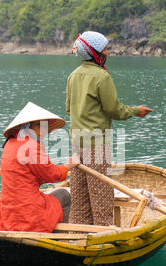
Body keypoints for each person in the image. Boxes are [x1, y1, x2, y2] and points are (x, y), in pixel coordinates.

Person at [66, 31, 153, 226]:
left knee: (79, 199)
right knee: (101, 197)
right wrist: (135, 111)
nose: (108, 52)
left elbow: (68, 107)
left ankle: (76, 235)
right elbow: (114, 110)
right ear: (96, 53)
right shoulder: (101, 77)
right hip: (96, 145)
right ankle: (103, 235)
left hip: (75, 145)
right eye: (105, 49)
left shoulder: (73, 76)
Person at [0, 102, 79, 233]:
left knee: (50, 196)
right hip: (27, 211)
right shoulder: (31, 146)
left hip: (8, 210)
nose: (44, 130)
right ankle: (61, 237)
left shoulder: (9, 143)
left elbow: (33, 173)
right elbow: (52, 175)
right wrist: (68, 166)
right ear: (27, 127)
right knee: (64, 195)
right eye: (39, 125)